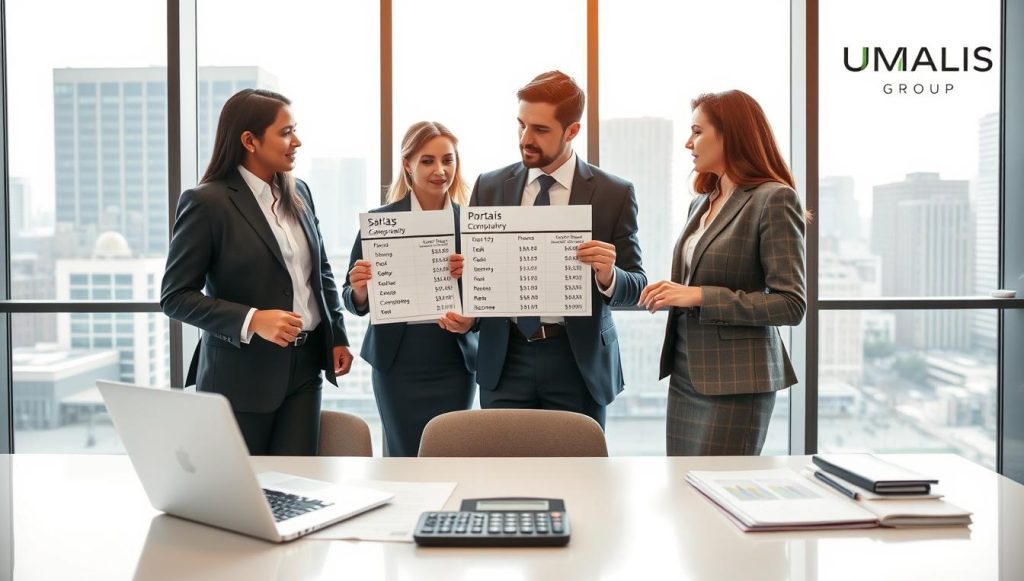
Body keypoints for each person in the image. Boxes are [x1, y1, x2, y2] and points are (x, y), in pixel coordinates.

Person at [161, 88, 353, 456]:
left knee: (296, 486)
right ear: (249, 140)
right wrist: (253, 319)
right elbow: (174, 297)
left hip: (306, 370)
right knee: (244, 492)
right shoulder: (207, 203)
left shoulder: (302, 194)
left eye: (295, 130)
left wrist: (336, 335)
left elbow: (320, 271)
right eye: (285, 133)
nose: (296, 141)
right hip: (240, 376)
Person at [466, 71, 646, 428]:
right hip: (506, 358)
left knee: (578, 478)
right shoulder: (489, 187)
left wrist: (609, 275)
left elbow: (637, 287)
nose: (525, 139)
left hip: (577, 362)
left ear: (572, 131)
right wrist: (465, 278)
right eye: (521, 125)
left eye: (540, 130)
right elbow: (474, 278)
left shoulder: (614, 193)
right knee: (502, 476)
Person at [640, 90, 806, 456]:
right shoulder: (701, 202)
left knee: (719, 496)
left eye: (697, 132)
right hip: (687, 371)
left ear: (730, 134)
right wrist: (673, 289)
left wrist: (699, 295)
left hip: (737, 381)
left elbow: (791, 304)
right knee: (683, 490)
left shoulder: (774, 199)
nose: (688, 143)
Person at [342, 121, 478, 456]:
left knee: (450, 454)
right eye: (428, 161)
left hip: (453, 360)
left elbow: (492, 299)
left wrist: (472, 317)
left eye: (448, 160)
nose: (440, 170)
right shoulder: (379, 222)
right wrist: (360, 289)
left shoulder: (473, 223)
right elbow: (352, 298)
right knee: (403, 456)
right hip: (397, 363)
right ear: (407, 165)